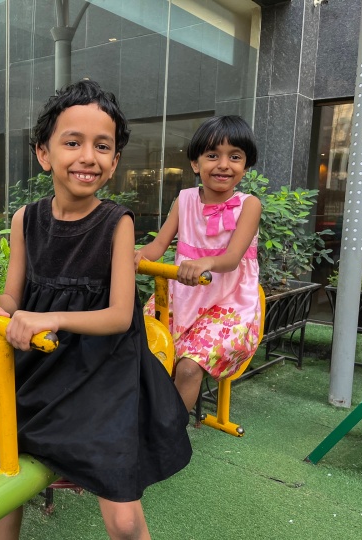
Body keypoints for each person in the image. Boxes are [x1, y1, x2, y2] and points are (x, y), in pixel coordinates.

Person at [0, 80, 192, 540]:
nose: (88, 156)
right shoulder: (27, 219)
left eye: (102, 146)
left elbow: (121, 315)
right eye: (73, 142)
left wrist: (54, 318)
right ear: (44, 154)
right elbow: (13, 301)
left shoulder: (117, 223)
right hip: (41, 376)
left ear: (115, 161)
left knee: (122, 519)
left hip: (104, 382)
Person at [135, 115, 262, 414]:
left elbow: (231, 260)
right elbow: (157, 246)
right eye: (212, 155)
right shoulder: (185, 200)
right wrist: (132, 256)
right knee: (147, 352)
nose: (223, 164)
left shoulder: (249, 205)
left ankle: (169, 437)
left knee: (190, 367)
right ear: (195, 163)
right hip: (184, 296)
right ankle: (142, 419)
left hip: (229, 302)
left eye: (235, 157)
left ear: (245, 166)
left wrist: (204, 262)